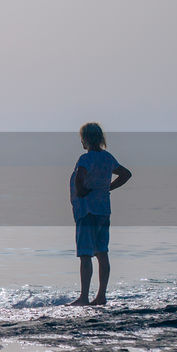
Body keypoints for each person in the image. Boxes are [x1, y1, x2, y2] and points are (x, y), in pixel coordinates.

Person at [70, 122, 132, 306]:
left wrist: (81, 191)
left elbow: (80, 180)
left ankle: (84, 297)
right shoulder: (107, 158)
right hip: (103, 211)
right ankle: (101, 295)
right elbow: (126, 174)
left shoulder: (85, 159)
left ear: (85, 140)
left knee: (85, 255)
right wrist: (108, 187)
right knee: (102, 252)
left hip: (87, 211)